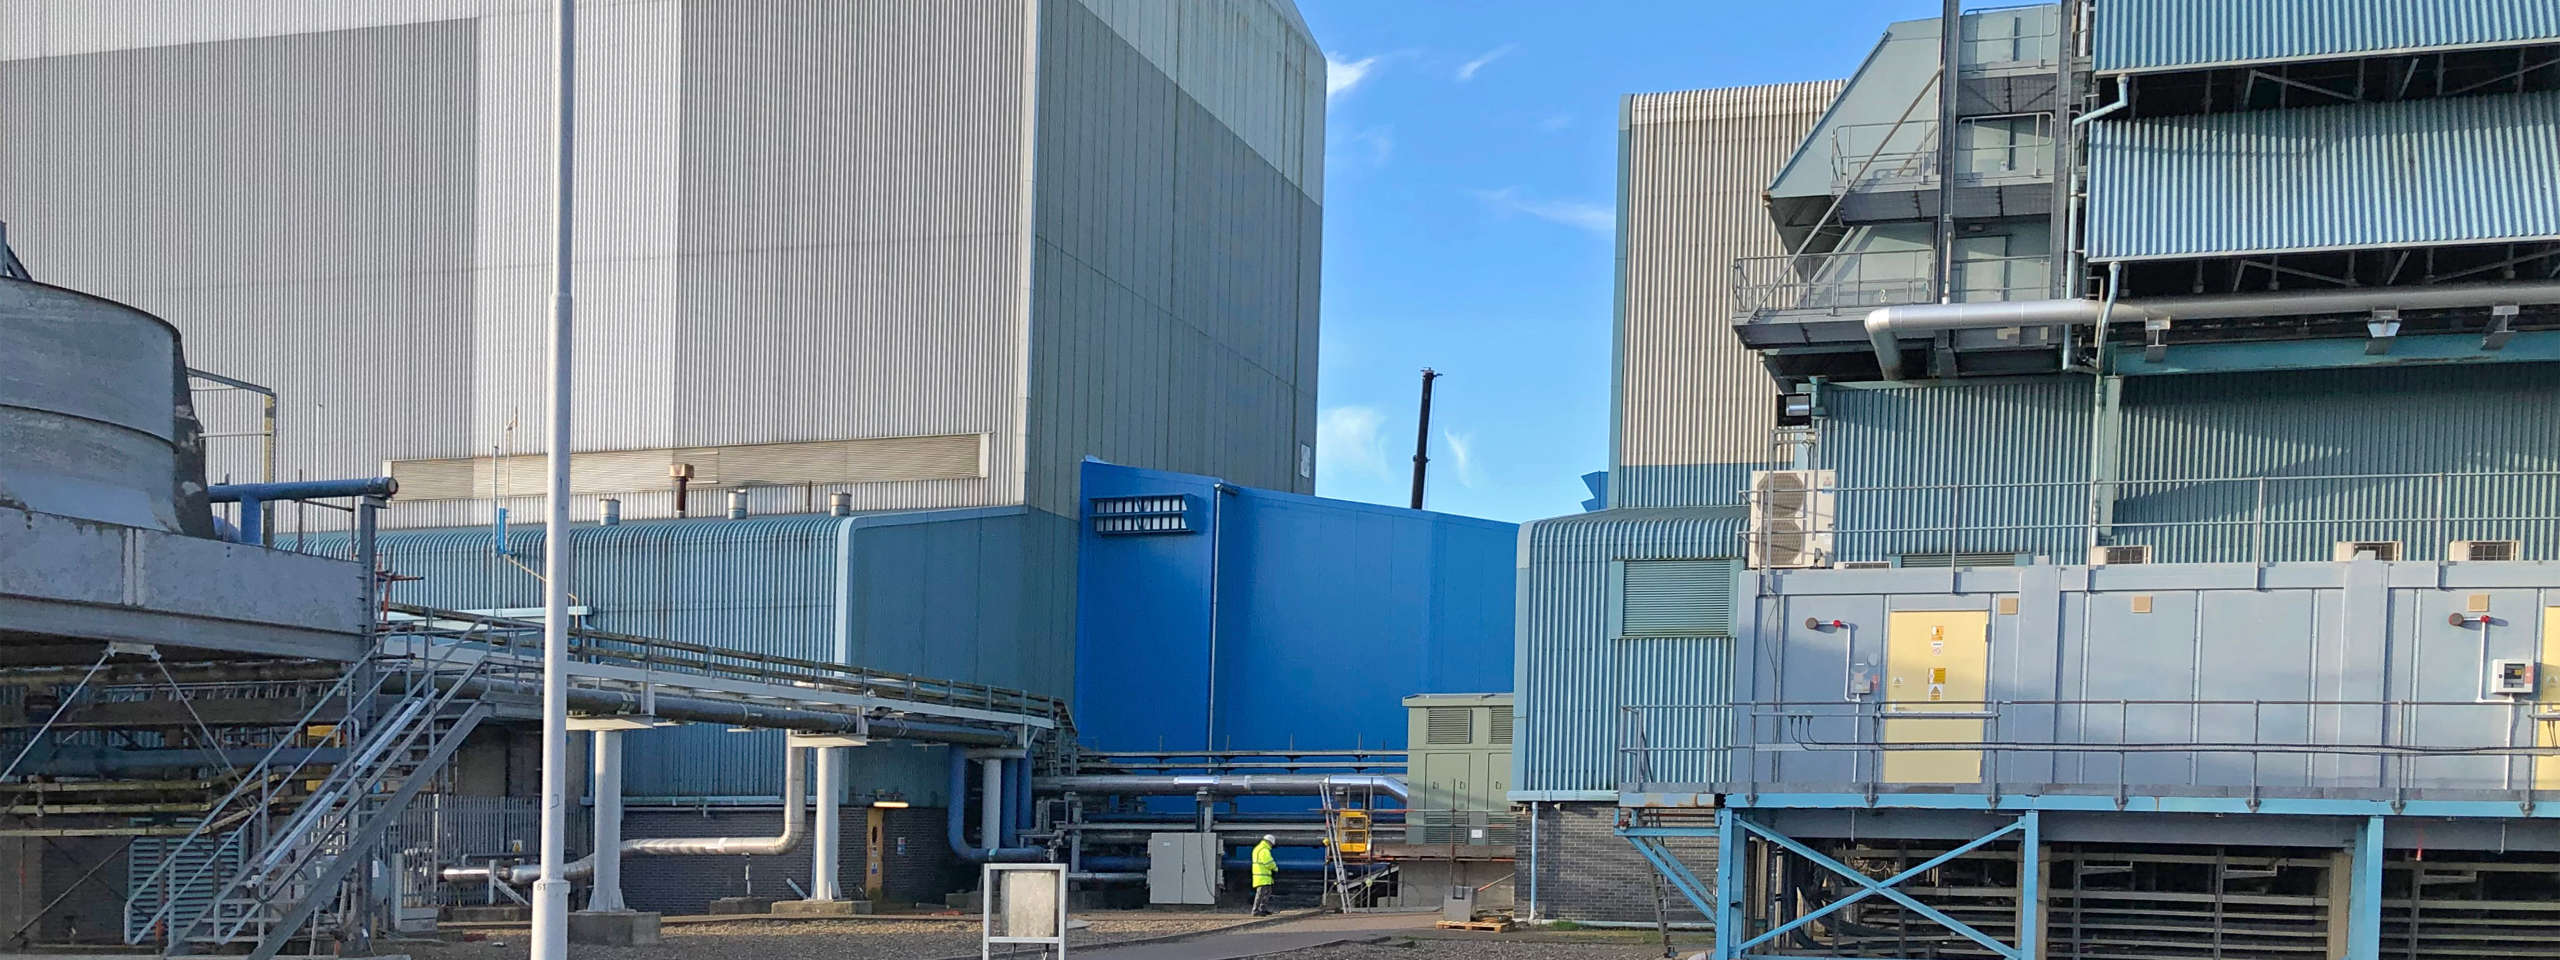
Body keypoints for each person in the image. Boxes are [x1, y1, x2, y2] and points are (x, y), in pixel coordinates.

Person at [1249, 833, 1278, 915]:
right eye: (1272, 844)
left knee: (1266, 892)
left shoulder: (1258, 849)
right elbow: (1268, 863)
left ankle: (1262, 909)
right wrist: (1275, 868)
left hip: (1262, 876)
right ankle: (1255, 910)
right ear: (1269, 842)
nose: (1272, 846)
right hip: (1262, 876)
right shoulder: (1264, 850)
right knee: (1261, 893)